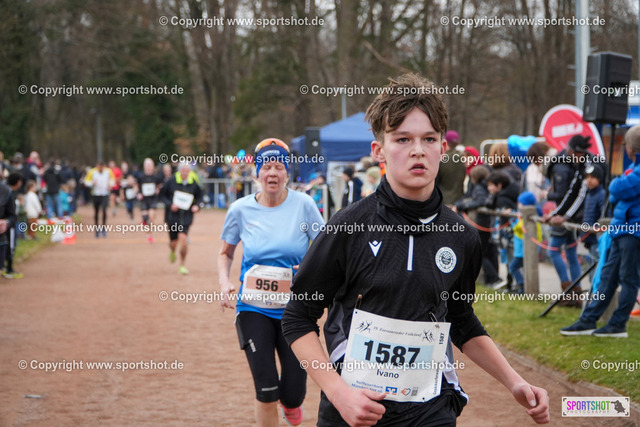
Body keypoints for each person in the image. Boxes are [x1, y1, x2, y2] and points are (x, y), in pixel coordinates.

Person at [281, 74, 549, 426]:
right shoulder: (348, 227)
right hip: (355, 411)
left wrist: (515, 382)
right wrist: (338, 392)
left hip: (431, 411)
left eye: (429, 139)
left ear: (442, 148)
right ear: (378, 150)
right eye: (402, 139)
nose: (418, 150)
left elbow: (460, 320)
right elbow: (297, 317)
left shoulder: (462, 237)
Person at [218, 138, 324, 427]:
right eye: (266, 167)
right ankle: (271, 390)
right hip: (253, 307)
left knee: (293, 394)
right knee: (266, 390)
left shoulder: (304, 205)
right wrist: (224, 281)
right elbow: (225, 253)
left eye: (279, 166)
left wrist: (310, 268)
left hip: (295, 311)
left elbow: (325, 249)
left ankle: (290, 401)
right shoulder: (240, 209)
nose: (273, 173)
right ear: (257, 173)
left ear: (287, 173)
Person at [561, 125, 640, 338]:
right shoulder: (633, 168)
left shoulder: (636, 170)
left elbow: (616, 188)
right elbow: (617, 193)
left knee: (628, 279)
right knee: (607, 276)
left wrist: (617, 186)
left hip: (633, 232)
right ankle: (588, 319)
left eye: (627, 144)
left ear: (633, 147)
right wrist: (618, 188)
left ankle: (618, 324)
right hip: (620, 230)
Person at [543, 135, 595, 307]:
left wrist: (560, 213)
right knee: (571, 254)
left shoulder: (564, 167)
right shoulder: (573, 164)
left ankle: (569, 290)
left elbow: (571, 194)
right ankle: (575, 292)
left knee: (553, 250)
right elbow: (572, 192)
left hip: (572, 216)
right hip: (570, 214)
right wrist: (557, 213)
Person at [454, 165, 501, 287]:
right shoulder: (485, 186)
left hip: (482, 224)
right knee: (489, 252)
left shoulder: (479, 188)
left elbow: (480, 201)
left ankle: (494, 278)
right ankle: (491, 279)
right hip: (486, 224)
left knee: (482, 254)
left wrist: (464, 206)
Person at [160, 163, 202, 275]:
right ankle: (172, 250)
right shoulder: (171, 181)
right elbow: (162, 196)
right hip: (172, 217)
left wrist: (197, 206)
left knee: (183, 240)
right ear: (179, 171)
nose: (185, 173)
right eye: (183, 170)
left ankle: (182, 265)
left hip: (186, 217)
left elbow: (200, 197)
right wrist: (170, 205)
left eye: (187, 171)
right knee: (173, 242)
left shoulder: (193, 183)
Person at [509, 192, 542, 295]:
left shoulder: (527, 217)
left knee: (513, 267)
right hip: (523, 249)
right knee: (523, 268)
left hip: (523, 250)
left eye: (520, 203)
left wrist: (513, 221)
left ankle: (522, 284)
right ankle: (523, 287)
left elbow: (518, 228)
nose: (518, 205)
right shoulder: (529, 216)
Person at [581, 163, 606, 274]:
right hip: (589, 237)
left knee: (596, 269)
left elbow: (603, 216)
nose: (589, 180)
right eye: (587, 177)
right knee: (591, 266)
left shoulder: (602, 194)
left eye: (592, 177)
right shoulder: (589, 195)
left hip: (597, 237)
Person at [435, 130, 466, 206]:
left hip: (443, 199)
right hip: (459, 200)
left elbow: (436, 181)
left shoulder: (442, 158)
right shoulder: (463, 158)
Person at [84, 162, 115, 238]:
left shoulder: (108, 171)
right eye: (99, 167)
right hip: (96, 194)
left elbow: (113, 180)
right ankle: (97, 229)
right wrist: (92, 183)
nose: (100, 168)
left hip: (105, 194)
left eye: (102, 167)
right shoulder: (92, 172)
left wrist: (110, 184)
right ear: (97, 166)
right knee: (96, 212)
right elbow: (86, 181)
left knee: (104, 210)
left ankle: (103, 228)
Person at [137, 158, 163, 243]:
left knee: (151, 217)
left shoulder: (156, 177)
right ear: (144, 167)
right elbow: (136, 186)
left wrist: (158, 189)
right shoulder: (141, 177)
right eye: (147, 165)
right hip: (144, 200)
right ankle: (148, 234)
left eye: (150, 165)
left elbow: (160, 185)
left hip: (153, 199)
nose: (148, 167)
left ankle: (150, 230)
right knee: (145, 218)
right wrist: (138, 193)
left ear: (153, 167)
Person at [4, 172, 23, 279]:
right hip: (8, 223)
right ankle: (9, 267)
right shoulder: (9, 192)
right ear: (18, 182)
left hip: (6, 221)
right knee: (10, 245)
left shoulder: (6, 190)